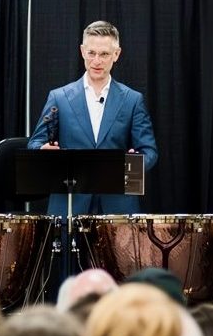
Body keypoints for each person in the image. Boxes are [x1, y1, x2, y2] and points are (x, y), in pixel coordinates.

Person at [28, 20, 158, 215]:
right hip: (69, 206)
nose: (97, 61)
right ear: (82, 52)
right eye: (92, 53)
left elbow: (149, 151)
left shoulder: (132, 100)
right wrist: (41, 150)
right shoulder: (59, 97)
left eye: (104, 54)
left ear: (116, 54)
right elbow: (35, 142)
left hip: (118, 208)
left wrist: (132, 164)